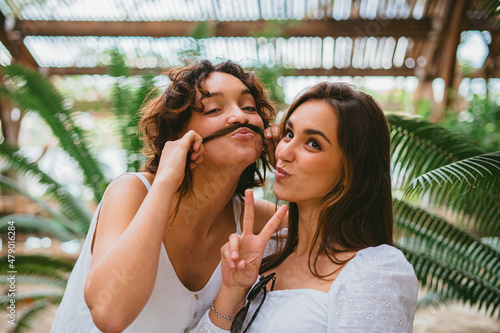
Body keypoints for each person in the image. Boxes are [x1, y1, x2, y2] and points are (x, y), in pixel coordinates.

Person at [51, 60, 286, 333]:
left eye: (249, 107)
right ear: (179, 134)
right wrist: (165, 179)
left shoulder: (255, 219)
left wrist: (292, 156)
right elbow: (109, 314)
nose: (239, 117)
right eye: (213, 109)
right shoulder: (133, 191)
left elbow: (335, 226)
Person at [195, 82, 419, 332]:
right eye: (289, 133)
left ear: (351, 171)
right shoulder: (264, 252)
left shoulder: (375, 273)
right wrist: (232, 290)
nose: (284, 152)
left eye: (313, 143)